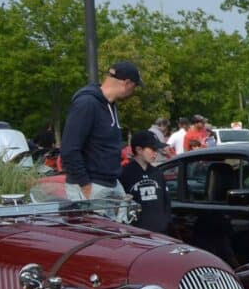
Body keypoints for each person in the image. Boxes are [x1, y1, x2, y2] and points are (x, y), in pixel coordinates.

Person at [61, 61, 141, 202]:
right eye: (134, 87)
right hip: (90, 185)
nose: (133, 91)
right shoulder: (87, 103)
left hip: (110, 183)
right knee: (95, 225)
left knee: (124, 221)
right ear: (127, 83)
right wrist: (85, 185)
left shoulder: (110, 105)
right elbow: (69, 149)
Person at [119, 130, 170, 233]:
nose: (156, 153)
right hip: (136, 234)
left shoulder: (158, 173)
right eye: (152, 149)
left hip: (160, 233)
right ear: (139, 149)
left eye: (157, 149)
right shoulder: (124, 173)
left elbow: (166, 202)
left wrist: (166, 221)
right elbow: (121, 205)